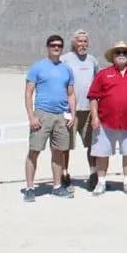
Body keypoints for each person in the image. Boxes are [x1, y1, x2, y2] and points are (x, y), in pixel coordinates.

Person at [87, 41, 127, 196]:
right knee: (102, 153)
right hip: (105, 121)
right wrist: (94, 117)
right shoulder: (103, 74)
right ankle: (101, 182)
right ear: (113, 56)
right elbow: (93, 96)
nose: (121, 55)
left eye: (124, 52)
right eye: (118, 52)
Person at [23, 34, 77, 202]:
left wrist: (73, 114)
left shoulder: (66, 69)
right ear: (47, 47)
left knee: (59, 152)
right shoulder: (37, 67)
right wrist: (32, 116)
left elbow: (71, 94)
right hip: (42, 114)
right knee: (34, 150)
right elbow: (28, 92)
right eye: (53, 45)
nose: (56, 48)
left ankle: (57, 185)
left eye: (59, 45)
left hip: (61, 116)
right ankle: (30, 188)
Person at [60, 29, 99, 191]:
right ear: (73, 43)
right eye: (80, 41)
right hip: (70, 110)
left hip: (89, 109)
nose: (82, 44)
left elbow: (97, 81)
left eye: (85, 41)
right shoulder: (65, 59)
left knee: (92, 144)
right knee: (65, 144)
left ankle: (93, 174)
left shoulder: (92, 60)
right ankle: (64, 173)